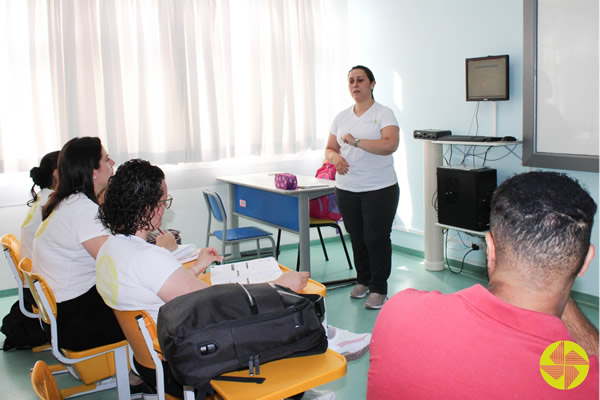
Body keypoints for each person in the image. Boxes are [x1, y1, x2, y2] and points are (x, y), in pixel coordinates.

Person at [96, 159, 370, 397]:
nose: (164, 208)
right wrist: (277, 286)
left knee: (260, 305)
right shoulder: (148, 257)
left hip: (152, 358)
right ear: (147, 209)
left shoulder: (111, 249)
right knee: (270, 310)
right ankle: (323, 343)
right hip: (187, 360)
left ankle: (304, 383)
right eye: (163, 201)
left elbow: (162, 289)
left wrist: (197, 267)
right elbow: (213, 300)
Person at [368, 171, 599, 399]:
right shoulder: (582, 380)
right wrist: (557, 276)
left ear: (490, 248)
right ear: (586, 260)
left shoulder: (399, 310)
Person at [31, 137, 124, 351]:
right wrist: (160, 251)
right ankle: (142, 373)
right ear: (92, 172)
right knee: (153, 310)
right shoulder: (82, 210)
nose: (112, 164)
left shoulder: (66, 202)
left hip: (62, 315)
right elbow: (117, 264)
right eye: (107, 159)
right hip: (77, 323)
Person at [325, 65, 400, 309]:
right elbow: (329, 149)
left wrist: (356, 141)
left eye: (360, 80)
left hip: (380, 188)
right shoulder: (341, 116)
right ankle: (363, 281)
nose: (355, 85)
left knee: (376, 237)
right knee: (357, 237)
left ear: (372, 84)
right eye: (351, 81)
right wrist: (335, 159)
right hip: (347, 188)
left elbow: (390, 144)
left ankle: (379, 288)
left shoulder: (384, 113)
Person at [19, 150, 60, 260]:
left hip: (33, 269)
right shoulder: (53, 202)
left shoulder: (44, 196)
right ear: (56, 173)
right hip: (40, 270)